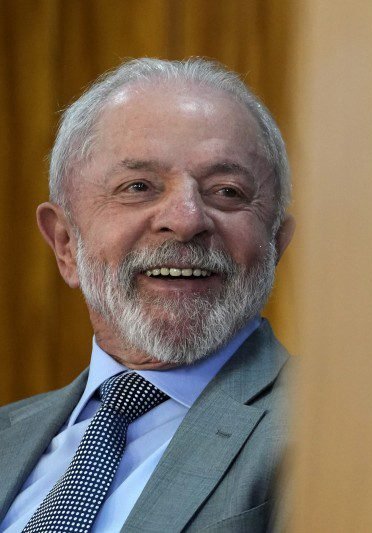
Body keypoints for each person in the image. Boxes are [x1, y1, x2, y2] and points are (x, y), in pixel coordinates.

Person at [0, 57, 295, 532]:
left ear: (276, 244)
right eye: (138, 187)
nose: (187, 219)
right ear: (65, 244)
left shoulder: (329, 435)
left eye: (227, 191)